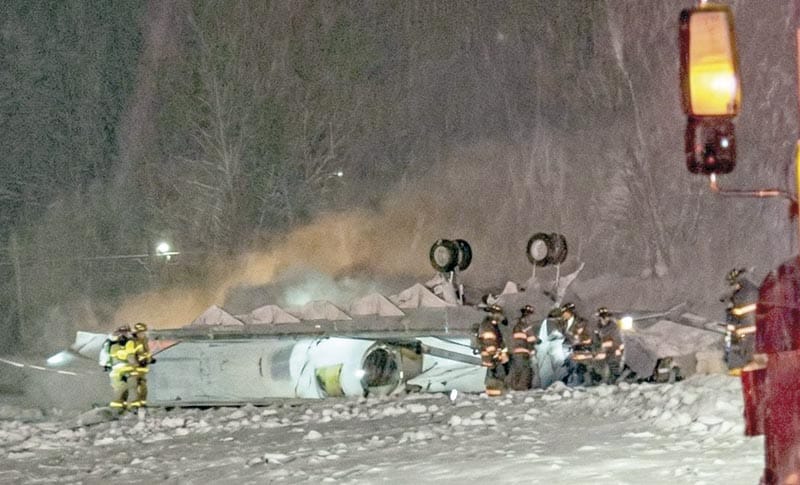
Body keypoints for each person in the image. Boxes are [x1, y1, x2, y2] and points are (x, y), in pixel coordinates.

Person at [722, 268, 758, 373]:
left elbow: (738, 316)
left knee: (746, 355)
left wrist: (730, 309)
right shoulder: (751, 290)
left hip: (748, 333)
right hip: (750, 332)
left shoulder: (742, 294)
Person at [105, 325, 140, 411]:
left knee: (119, 392)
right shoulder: (129, 344)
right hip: (127, 372)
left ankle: (118, 410)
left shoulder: (112, 346)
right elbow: (131, 358)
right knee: (132, 390)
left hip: (116, 373)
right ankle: (131, 409)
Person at [560, 302, 594, 386]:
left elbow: (587, 337)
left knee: (580, 366)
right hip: (569, 349)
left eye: (564, 312)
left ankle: (583, 381)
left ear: (570, 312)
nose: (563, 315)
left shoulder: (581, 323)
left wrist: (579, 341)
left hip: (582, 348)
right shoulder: (563, 324)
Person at [506, 305, 540, 391]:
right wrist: (538, 340)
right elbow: (531, 338)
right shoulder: (525, 326)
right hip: (522, 351)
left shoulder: (517, 324)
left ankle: (513, 387)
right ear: (528, 315)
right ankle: (521, 388)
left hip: (514, 351)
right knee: (525, 370)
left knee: (516, 370)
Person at [476, 315, 509, 397]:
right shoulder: (488, 327)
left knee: (494, 372)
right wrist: (495, 354)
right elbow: (490, 343)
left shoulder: (492, 326)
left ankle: (495, 390)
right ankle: (494, 392)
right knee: (492, 373)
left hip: (493, 356)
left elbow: (498, 341)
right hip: (491, 356)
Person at [591, 307, 624, 384]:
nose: (604, 318)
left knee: (612, 361)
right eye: (602, 316)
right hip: (601, 349)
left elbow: (617, 339)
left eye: (605, 316)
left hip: (613, 349)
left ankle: (615, 378)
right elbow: (596, 339)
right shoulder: (597, 327)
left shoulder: (613, 327)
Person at [130, 322, 154, 409]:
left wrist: (150, 358)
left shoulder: (144, 341)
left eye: (144, 332)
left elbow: (146, 352)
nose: (143, 334)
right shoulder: (133, 342)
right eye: (141, 332)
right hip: (135, 368)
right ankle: (137, 404)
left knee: (143, 386)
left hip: (142, 367)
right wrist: (139, 361)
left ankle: (142, 403)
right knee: (137, 385)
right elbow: (131, 355)